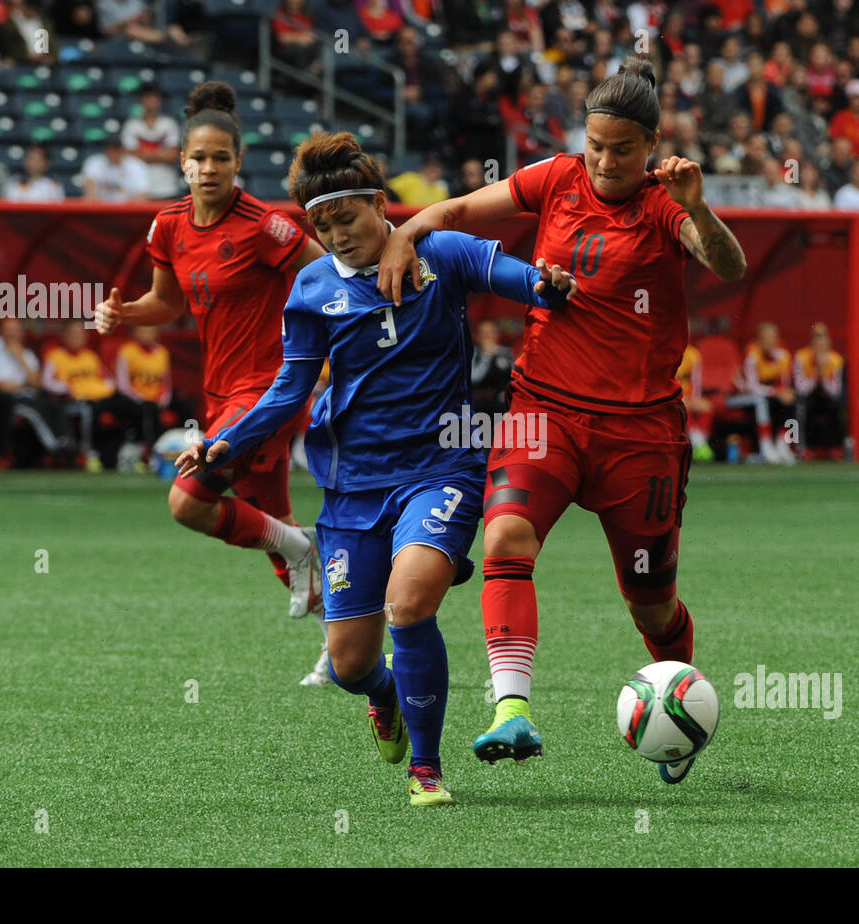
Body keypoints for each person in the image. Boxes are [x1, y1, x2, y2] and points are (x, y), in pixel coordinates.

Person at [175, 131, 577, 805]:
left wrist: (547, 283)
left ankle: (428, 769)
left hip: (440, 467)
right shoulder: (309, 289)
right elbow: (290, 388)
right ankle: (385, 695)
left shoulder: (439, 252)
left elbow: (524, 282)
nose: (335, 235)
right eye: (321, 225)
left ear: (376, 203)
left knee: (411, 600)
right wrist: (223, 440)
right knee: (351, 661)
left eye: (346, 218)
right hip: (352, 485)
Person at [377, 56, 748, 785]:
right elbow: (452, 213)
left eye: (622, 149)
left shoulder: (666, 205)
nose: (605, 161)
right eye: (595, 144)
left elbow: (727, 264)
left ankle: (680, 705)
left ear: (650, 145)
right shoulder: (555, 178)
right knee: (507, 534)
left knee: (652, 600)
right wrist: (405, 231)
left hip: (641, 434)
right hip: (541, 408)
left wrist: (698, 205)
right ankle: (510, 708)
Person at [92, 81, 331, 685]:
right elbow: (164, 304)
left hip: (269, 392)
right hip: (222, 395)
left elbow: (332, 275)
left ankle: (305, 546)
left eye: (220, 158)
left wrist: (325, 356)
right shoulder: (168, 225)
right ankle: (348, 651)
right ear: (181, 161)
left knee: (187, 501)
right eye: (197, 158)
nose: (208, 168)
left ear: (238, 162)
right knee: (270, 526)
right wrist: (123, 315)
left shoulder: (264, 226)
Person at [0, 315, 71, 468]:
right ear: (1, 332)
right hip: (5, 400)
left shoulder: (26, 354)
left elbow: (36, 383)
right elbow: (3, 386)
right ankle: (54, 446)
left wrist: (20, 358)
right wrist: (24, 385)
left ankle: (64, 440)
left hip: (29, 395)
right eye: (7, 330)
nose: (11, 334)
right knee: (33, 410)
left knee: (54, 405)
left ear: (21, 333)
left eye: (15, 330)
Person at [42, 318, 126, 471]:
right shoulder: (55, 356)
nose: (77, 337)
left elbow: (109, 381)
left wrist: (94, 390)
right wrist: (70, 388)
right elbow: (47, 383)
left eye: (80, 334)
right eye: (72, 334)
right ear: (64, 335)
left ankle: (127, 450)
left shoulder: (90, 357)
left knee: (123, 405)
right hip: (70, 402)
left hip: (97, 399)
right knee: (87, 410)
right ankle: (88, 454)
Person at [114, 324, 193, 445]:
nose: (146, 335)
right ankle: (152, 448)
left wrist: (164, 399)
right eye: (142, 331)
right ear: (134, 333)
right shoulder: (126, 352)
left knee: (185, 406)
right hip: (136, 400)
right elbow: (123, 385)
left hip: (159, 398)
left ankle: (186, 443)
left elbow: (167, 382)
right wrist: (142, 399)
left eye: (150, 331)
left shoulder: (162, 352)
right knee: (149, 410)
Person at [741, 321, 796, 464]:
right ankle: (766, 447)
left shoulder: (783, 356)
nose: (769, 342)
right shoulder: (752, 356)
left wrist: (784, 393)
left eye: (772, 338)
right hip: (746, 396)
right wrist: (776, 392)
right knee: (761, 402)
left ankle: (784, 445)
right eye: (765, 338)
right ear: (759, 340)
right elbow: (751, 385)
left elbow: (785, 382)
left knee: (790, 401)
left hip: (771, 395)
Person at [793, 322, 844, 460]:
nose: (820, 343)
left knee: (836, 406)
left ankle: (834, 447)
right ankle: (806, 447)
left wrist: (824, 377)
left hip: (827, 396)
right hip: (809, 396)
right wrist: (817, 373)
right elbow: (801, 389)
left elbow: (835, 391)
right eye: (816, 338)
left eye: (822, 338)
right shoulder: (801, 357)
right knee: (805, 406)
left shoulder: (835, 360)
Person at [121, 83, 182, 199]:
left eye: (153, 98)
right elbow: (129, 156)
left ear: (159, 101)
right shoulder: (131, 125)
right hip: (139, 189)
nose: (150, 102)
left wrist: (143, 154)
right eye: (147, 98)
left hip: (166, 187)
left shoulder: (169, 124)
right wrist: (160, 153)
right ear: (141, 101)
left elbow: (172, 155)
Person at [82, 135, 149, 203]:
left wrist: (122, 210)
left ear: (122, 150)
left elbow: (142, 195)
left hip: (127, 210)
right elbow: (89, 193)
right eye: (111, 151)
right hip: (99, 209)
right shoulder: (94, 162)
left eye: (117, 150)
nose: (114, 154)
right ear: (106, 151)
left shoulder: (136, 165)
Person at [469, 319, 513, 422]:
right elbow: (474, 378)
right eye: (484, 334)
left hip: (500, 407)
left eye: (490, 333)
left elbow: (513, 378)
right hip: (477, 406)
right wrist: (486, 356)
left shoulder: (506, 353)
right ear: (478, 336)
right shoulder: (473, 354)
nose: (487, 337)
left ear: (496, 335)